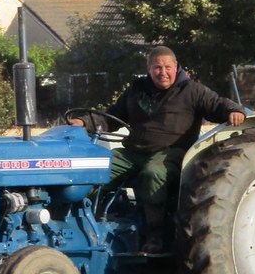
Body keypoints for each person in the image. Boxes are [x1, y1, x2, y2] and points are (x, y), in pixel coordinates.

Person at [71, 46, 245, 254]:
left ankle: (156, 235)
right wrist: (84, 122)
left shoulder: (191, 90)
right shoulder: (137, 90)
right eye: (157, 68)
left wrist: (234, 110)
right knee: (96, 168)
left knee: (153, 173)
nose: (163, 72)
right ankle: (88, 227)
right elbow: (111, 116)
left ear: (176, 67)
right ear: (149, 69)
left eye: (167, 67)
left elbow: (216, 104)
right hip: (134, 152)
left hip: (172, 152)